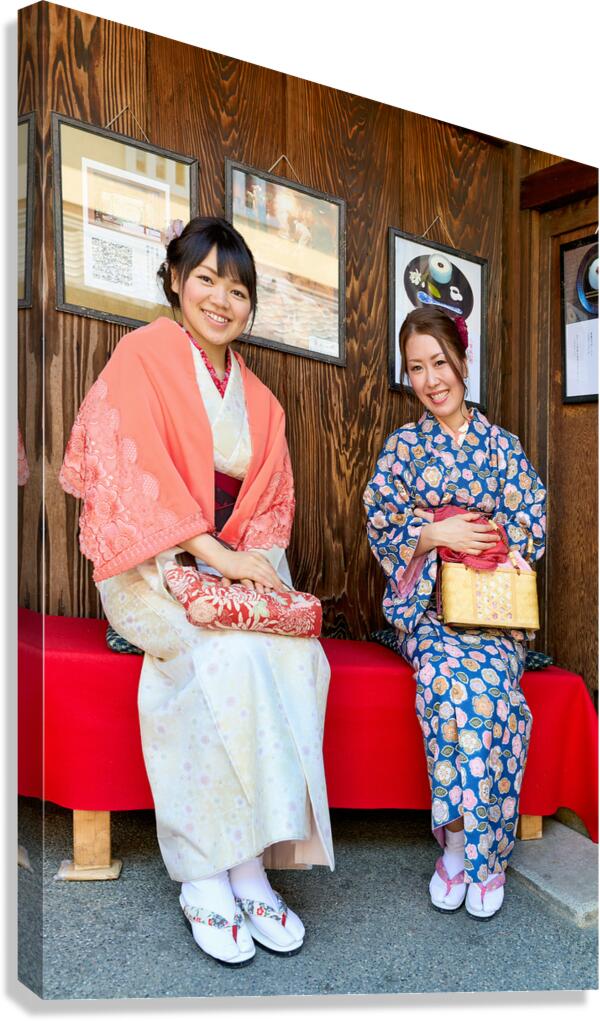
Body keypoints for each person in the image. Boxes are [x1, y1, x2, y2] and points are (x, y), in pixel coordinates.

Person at [60, 216, 334, 966]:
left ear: (250, 306)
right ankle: (204, 871)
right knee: (219, 657)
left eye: (237, 289)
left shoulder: (263, 402)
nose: (220, 299)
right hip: (149, 567)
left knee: (297, 658)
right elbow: (130, 475)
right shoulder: (142, 355)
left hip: (229, 568)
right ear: (176, 282)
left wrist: (244, 566)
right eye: (206, 278)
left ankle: (250, 863)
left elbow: (269, 513)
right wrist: (207, 556)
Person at [363, 306, 546, 920]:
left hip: (490, 609)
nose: (430, 379)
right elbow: (382, 520)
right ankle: (460, 845)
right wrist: (438, 533)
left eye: (439, 362)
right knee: (446, 685)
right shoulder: (403, 448)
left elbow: (531, 518)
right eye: (416, 368)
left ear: (463, 362)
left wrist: (492, 543)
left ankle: (487, 859)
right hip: (430, 613)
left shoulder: (503, 448)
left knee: (495, 696)